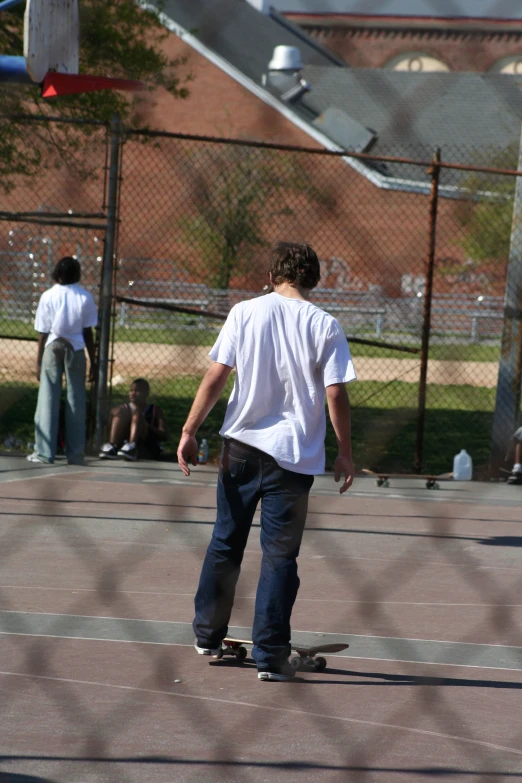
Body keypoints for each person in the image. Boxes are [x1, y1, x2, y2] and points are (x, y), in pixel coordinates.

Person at [177, 241, 357, 682]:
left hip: (239, 448)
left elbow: (217, 374)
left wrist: (188, 430)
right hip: (293, 458)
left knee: (226, 541)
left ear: (273, 274)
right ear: (313, 279)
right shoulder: (325, 325)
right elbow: (336, 393)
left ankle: (207, 633)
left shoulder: (245, 311)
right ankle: (270, 656)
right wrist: (345, 450)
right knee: (279, 557)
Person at [27, 256, 97, 465]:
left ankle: (44, 452)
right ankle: (75, 454)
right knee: (76, 400)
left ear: (57, 273)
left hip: (53, 345)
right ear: (77, 274)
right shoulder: (84, 297)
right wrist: (93, 361)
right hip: (75, 348)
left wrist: (39, 361)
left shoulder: (48, 295)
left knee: (48, 398)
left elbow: (43, 332)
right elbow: (88, 332)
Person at [99, 378, 168, 461]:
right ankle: (113, 446)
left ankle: (132, 446)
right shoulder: (123, 409)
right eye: (131, 390)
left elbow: (164, 435)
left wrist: (147, 426)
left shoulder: (155, 410)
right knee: (119, 413)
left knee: (137, 415)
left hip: (145, 444)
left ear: (146, 393)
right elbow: (108, 428)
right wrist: (112, 415)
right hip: (124, 442)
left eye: (137, 391)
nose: (133, 393)